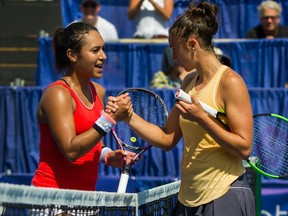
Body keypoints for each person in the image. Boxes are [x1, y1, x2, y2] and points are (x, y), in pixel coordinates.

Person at [107, 2, 255, 215]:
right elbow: (167, 138)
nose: (173, 57)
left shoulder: (230, 81)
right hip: (189, 198)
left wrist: (202, 118)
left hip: (225, 194)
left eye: (175, 49)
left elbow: (244, 148)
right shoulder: (188, 83)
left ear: (193, 44)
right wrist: (128, 116)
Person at [31, 22, 135, 192]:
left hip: (85, 198)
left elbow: (91, 140)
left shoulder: (98, 92)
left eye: (103, 49)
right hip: (51, 197)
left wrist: (107, 155)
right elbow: (71, 151)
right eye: (95, 50)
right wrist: (109, 119)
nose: (103, 56)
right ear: (72, 55)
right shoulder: (58, 94)